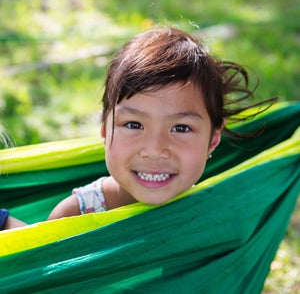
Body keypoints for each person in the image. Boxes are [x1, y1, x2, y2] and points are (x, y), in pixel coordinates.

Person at [47, 26, 276, 220]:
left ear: (213, 139)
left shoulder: (213, 220)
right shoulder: (76, 214)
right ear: (105, 130)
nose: (155, 150)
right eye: (134, 125)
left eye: (181, 128)